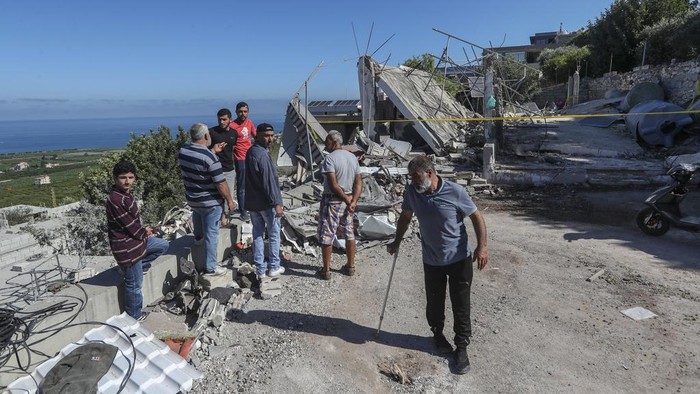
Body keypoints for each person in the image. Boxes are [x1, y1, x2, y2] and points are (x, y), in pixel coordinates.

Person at [386, 155, 488, 375]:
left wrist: (482, 247)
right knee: (434, 302)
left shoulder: (455, 192)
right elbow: (405, 216)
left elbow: (476, 217)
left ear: (430, 173)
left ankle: (461, 348)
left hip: (459, 258)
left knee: (460, 303)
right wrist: (397, 240)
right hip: (432, 260)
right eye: (410, 177)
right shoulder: (413, 192)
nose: (412, 181)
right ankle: (438, 334)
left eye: (416, 176)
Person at [106, 160, 169, 320]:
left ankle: (140, 267)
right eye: (123, 177)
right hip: (127, 249)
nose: (127, 181)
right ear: (114, 178)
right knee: (134, 285)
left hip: (137, 244)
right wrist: (144, 232)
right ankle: (134, 317)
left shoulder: (125, 195)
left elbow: (133, 224)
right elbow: (129, 225)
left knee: (163, 245)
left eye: (130, 177)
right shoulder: (115, 200)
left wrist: (143, 232)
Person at [178, 123, 237, 276]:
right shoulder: (210, 158)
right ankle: (211, 267)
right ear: (205, 136)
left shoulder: (183, 151)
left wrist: (212, 150)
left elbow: (199, 162)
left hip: (193, 198)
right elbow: (220, 183)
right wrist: (230, 200)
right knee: (212, 233)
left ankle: (197, 238)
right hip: (210, 201)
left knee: (197, 214)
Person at [317, 130, 362, 280]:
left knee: (327, 234)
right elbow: (358, 182)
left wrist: (347, 199)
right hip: (348, 201)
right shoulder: (352, 158)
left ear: (334, 142)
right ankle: (350, 266)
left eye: (327, 142)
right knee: (349, 233)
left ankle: (327, 270)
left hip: (333, 201)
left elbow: (334, 184)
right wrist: (353, 200)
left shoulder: (329, 159)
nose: (325, 144)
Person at [245, 123, 284, 279]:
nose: (270, 139)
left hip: (253, 202)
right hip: (267, 203)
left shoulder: (250, 152)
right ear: (257, 136)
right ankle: (274, 266)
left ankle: (260, 269)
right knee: (274, 234)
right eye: (267, 136)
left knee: (257, 234)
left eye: (272, 135)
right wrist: (277, 204)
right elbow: (269, 182)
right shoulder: (261, 155)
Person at [209, 108, 238, 223]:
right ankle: (215, 219)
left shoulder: (234, 133)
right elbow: (205, 149)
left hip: (229, 169)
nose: (221, 122)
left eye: (224, 119)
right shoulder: (211, 132)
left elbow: (235, 149)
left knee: (228, 195)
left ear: (230, 120)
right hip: (214, 169)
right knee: (215, 195)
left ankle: (224, 219)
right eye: (219, 119)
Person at [230, 101, 256, 222]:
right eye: (240, 111)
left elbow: (256, 137)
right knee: (242, 186)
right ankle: (243, 211)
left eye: (245, 111)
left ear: (248, 112)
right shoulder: (232, 126)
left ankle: (251, 207)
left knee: (252, 184)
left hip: (250, 158)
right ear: (236, 112)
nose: (243, 114)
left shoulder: (249, 123)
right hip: (239, 159)